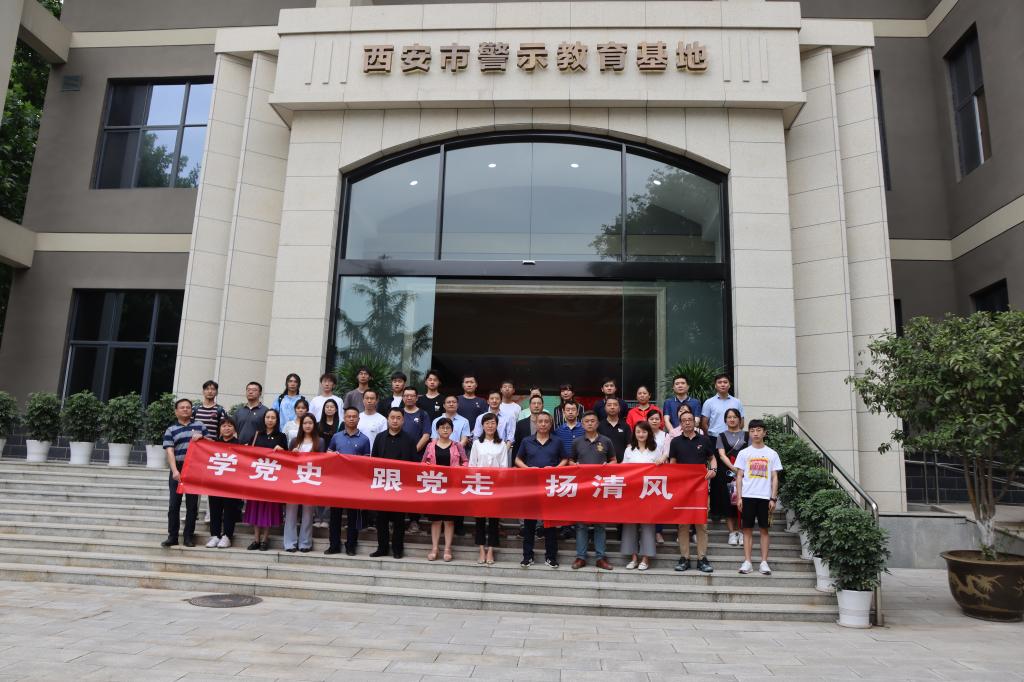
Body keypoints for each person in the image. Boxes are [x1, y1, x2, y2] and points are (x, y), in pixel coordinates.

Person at [667, 412, 717, 574]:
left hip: (701, 489)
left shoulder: (704, 440)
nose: (687, 422)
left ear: (694, 423)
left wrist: (713, 470)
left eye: (690, 420)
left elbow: (712, 458)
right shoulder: (675, 442)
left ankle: (702, 558)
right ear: (680, 424)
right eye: (684, 421)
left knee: (701, 524)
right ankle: (685, 558)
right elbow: (672, 463)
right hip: (682, 490)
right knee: (683, 525)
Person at [564, 411, 614, 571]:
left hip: (600, 489)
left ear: (597, 423)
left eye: (593, 421)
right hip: (583, 489)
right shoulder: (577, 442)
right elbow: (570, 461)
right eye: (587, 421)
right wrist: (576, 466)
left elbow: (614, 461)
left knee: (600, 524)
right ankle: (581, 557)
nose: (590, 423)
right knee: (581, 525)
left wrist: (607, 466)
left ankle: (601, 557)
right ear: (583, 424)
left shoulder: (606, 441)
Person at [514, 412, 562, 568]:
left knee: (550, 524)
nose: (543, 424)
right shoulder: (527, 441)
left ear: (550, 424)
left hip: (550, 487)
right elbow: (517, 459)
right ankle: (527, 556)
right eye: (540, 421)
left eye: (546, 421)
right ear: (536, 424)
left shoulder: (557, 441)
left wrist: (555, 469)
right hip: (531, 487)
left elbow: (565, 459)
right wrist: (527, 469)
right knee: (529, 524)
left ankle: (551, 557)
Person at [735, 419, 783, 575]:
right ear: (749, 433)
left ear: (764, 433)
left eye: (758, 430)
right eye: (752, 430)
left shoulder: (772, 454)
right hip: (748, 496)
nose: (755, 433)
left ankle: (764, 562)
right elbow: (739, 476)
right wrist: (739, 497)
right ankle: (747, 562)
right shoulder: (744, 453)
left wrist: (773, 498)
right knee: (747, 529)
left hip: (764, 497)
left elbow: (774, 477)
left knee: (764, 529)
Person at [370, 408, 419, 559]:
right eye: (392, 417)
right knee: (381, 519)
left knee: (399, 520)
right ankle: (382, 548)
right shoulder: (380, 437)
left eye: (398, 418)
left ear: (403, 420)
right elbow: (373, 460)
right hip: (382, 484)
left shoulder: (409, 439)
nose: (395, 420)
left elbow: (414, 463)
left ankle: (398, 549)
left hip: (401, 485)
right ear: (388, 419)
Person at [160, 398, 206, 548]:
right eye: (182, 407)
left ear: (192, 410)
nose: (185, 409)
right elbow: (169, 451)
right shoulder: (171, 429)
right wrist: (174, 470)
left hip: (194, 468)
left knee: (192, 506)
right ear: (176, 411)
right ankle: (172, 536)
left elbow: (211, 444)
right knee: (174, 504)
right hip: (178, 467)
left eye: (188, 407)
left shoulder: (200, 426)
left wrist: (203, 437)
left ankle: (188, 537)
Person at [325, 407, 372, 556]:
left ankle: (351, 545)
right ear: (344, 419)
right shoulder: (336, 437)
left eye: (354, 416)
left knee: (353, 516)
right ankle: (334, 545)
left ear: (358, 419)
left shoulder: (365, 439)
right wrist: (332, 455)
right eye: (348, 416)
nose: (351, 419)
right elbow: (328, 454)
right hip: (337, 483)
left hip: (355, 484)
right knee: (335, 516)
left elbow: (367, 462)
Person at [421, 417, 468, 562]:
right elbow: (422, 463)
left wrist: (460, 469)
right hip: (435, 486)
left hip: (452, 487)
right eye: (442, 427)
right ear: (437, 430)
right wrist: (427, 466)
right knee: (435, 520)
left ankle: (447, 548)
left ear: (452, 430)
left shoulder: (457, 446)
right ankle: (434, 548)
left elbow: (465, 462)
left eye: (448, 427)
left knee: (449, 520)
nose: (445, 430)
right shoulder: (430, 445)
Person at [244, 408, 287, 551]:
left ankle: (265, 540)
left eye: (273, 417)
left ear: (277, 420)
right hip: (257, 478)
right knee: (256, 508)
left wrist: (282, 450)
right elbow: (248, 454)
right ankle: (256, 539)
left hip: (272, 479)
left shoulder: (281, 436)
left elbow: (287, 459)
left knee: (268, 509)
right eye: (268, 417)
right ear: (263, 419)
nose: (270, 420)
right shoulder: (256, 435)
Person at [469, 413, 508, 565]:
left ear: (497, 425)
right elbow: (472, 465)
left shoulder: (502, 444)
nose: (490, 426)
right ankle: (481, 549)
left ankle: (491, 549)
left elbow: (504, 467)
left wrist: (496, 478)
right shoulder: (477, 444)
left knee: (493, 519)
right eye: (487, 423)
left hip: (495, 487)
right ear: (482, 425)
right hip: (480, 485)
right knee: (479, 519)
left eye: (492, 423)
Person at [620, 420, 660, 571]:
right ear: (634, 434)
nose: (641, 434)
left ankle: (645, 558)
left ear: (649, 433)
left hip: (649, 493)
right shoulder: (629, 450)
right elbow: (622, 470)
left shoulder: (656, 450)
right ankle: (633, 557)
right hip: (632, 493)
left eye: (644, 431)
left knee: (647, 525)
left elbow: (662, 471)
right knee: (630, 525)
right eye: (638, 431)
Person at [284, 414, 322, 553]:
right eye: (305, 423)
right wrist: (292, 453)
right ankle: (290, 543)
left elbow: (323, 461)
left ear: (314, 425)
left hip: (311, 480)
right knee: (291, 512)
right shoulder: (295, 441)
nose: (307, 425)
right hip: (295, 480)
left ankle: (305, 543)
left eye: (310, 423)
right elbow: (287, 461)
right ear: (301, 425)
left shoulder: (320, 441)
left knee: (308, 512)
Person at [206, 417, 242, 549]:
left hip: (231, 484)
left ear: (235, 429)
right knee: (214, 509)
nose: (227, 428)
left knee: (229, 510)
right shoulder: (214, 444)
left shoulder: (239, 445)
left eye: (230, 426)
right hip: (215, 483)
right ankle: (215, 535)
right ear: (219, 429)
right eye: (224, 426)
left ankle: (227, 536)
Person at [715, 408, 747, 546]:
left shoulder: (747, 435)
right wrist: (734, 468)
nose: (732, 419)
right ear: (725, 420)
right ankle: (732, 533)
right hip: (727, 473)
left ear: (739, 419)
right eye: (729, 417)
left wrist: (741, 470)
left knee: (744, 502)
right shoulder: (721, 436)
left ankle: (742, 532)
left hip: (746, 473)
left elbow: (750, 453)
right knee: (728, 503)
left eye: (734, 417)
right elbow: (722, 455)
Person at [700, 374, 745, 439]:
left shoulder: (737, 402)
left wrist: (735, 434)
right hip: (714, 438)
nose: (722, 385)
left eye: (725, 382)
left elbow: (741, 422)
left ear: (729, 385)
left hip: (733, 438)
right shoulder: (708, 402)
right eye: (719, 382)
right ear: (715, 386)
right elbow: (704, 424)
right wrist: (710, 436)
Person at [513, 394, 545, 466]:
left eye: (539, 403)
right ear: (529, 406)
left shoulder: (548, 424)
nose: (536, 406)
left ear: (543, 406)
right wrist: (514, 464)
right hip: (524, 464)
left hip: (543, 463)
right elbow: (516, 446)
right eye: (534, 403)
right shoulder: (521, 424)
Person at [234, 381, 268, 446]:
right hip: (239, 447)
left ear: (260, 393)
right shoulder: (239, 411)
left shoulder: (265, 411)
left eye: (254, 390)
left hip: (256, 448)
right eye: (248, 390)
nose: (250, 392)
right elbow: (233, 430)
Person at [598, 397, 629, 463]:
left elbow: (629, 445)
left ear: (619, 408)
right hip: (603, 464)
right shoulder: (599, 426)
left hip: (622, 464)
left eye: (615, 405)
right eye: (609, 405)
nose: (612, 407)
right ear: (605, 408)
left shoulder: (625, 426)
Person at [399, 387, 431, 452]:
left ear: (417, 398)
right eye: (406, 396)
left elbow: (426, 436)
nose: (409, 398)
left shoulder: (423, 414)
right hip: (399, 451)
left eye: (412, 396)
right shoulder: (398, 413)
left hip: (417, 453)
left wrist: (414, 451)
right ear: (402, 398)